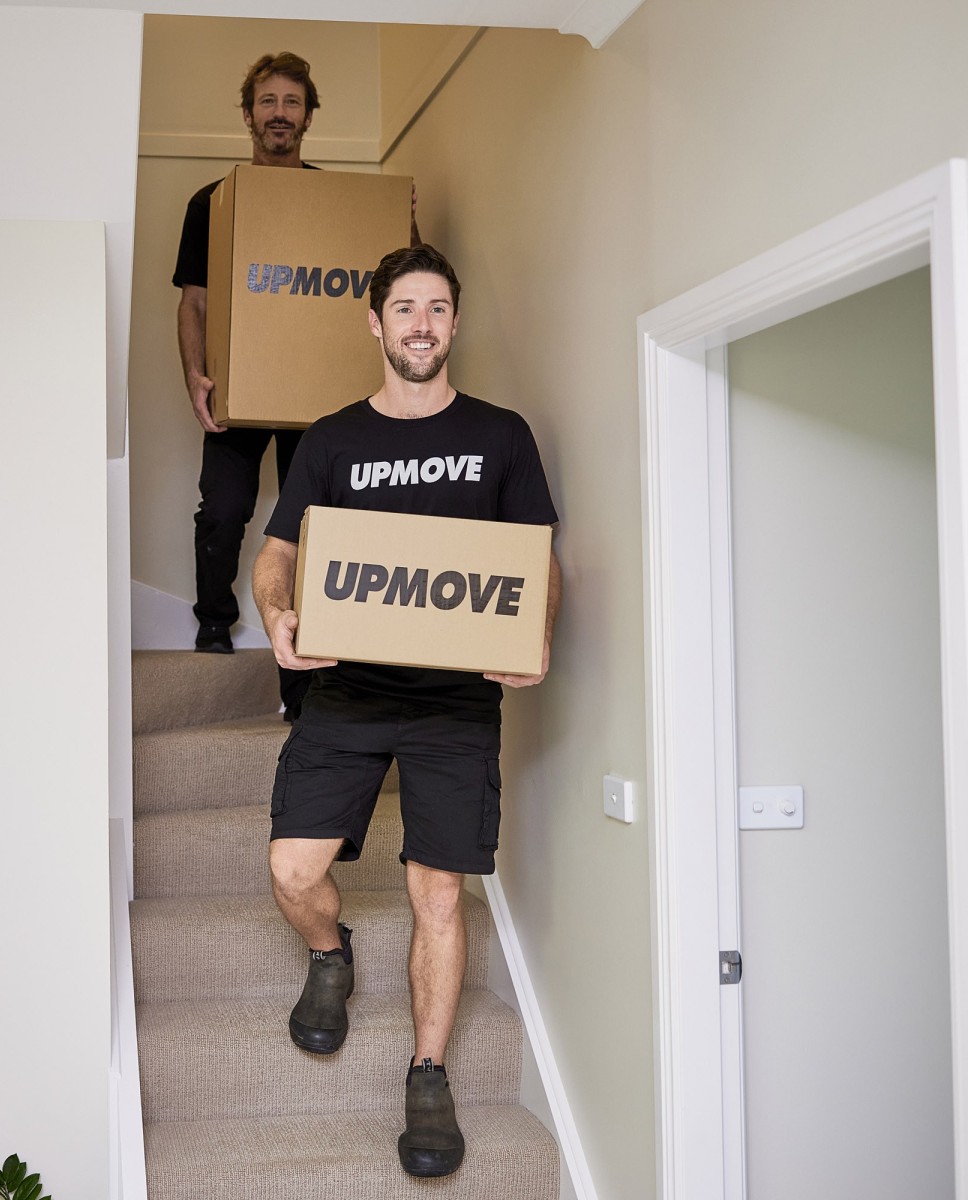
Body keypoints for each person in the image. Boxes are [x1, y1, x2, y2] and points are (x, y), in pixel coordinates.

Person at [249, 244, 561, 1178]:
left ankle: (428, 1075)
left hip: (455, 702)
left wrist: (533, 636)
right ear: (375, 322)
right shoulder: (333, 439)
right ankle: (331, 951)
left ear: (453, 324)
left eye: (436, 309)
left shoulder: (502, 436)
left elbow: (538, 559)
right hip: (346, 688)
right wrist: (277, 616)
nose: (420, 325)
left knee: (436, 892)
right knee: (292, 868)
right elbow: (277, 553)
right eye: (404, 309)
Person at [172, 51, 417, 722]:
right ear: (249, 113)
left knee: (315, 529)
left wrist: (402, 221)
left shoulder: (337, 202)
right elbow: (194, 303)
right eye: (268, 101)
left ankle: (310, 666)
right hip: (239, 391)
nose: (279, 113)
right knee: (223, 511)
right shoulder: (213, 202)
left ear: (309, 114)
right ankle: (215, 624)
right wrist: (195, 377)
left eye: (291, 102)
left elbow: (396, 277)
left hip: (319, 404)